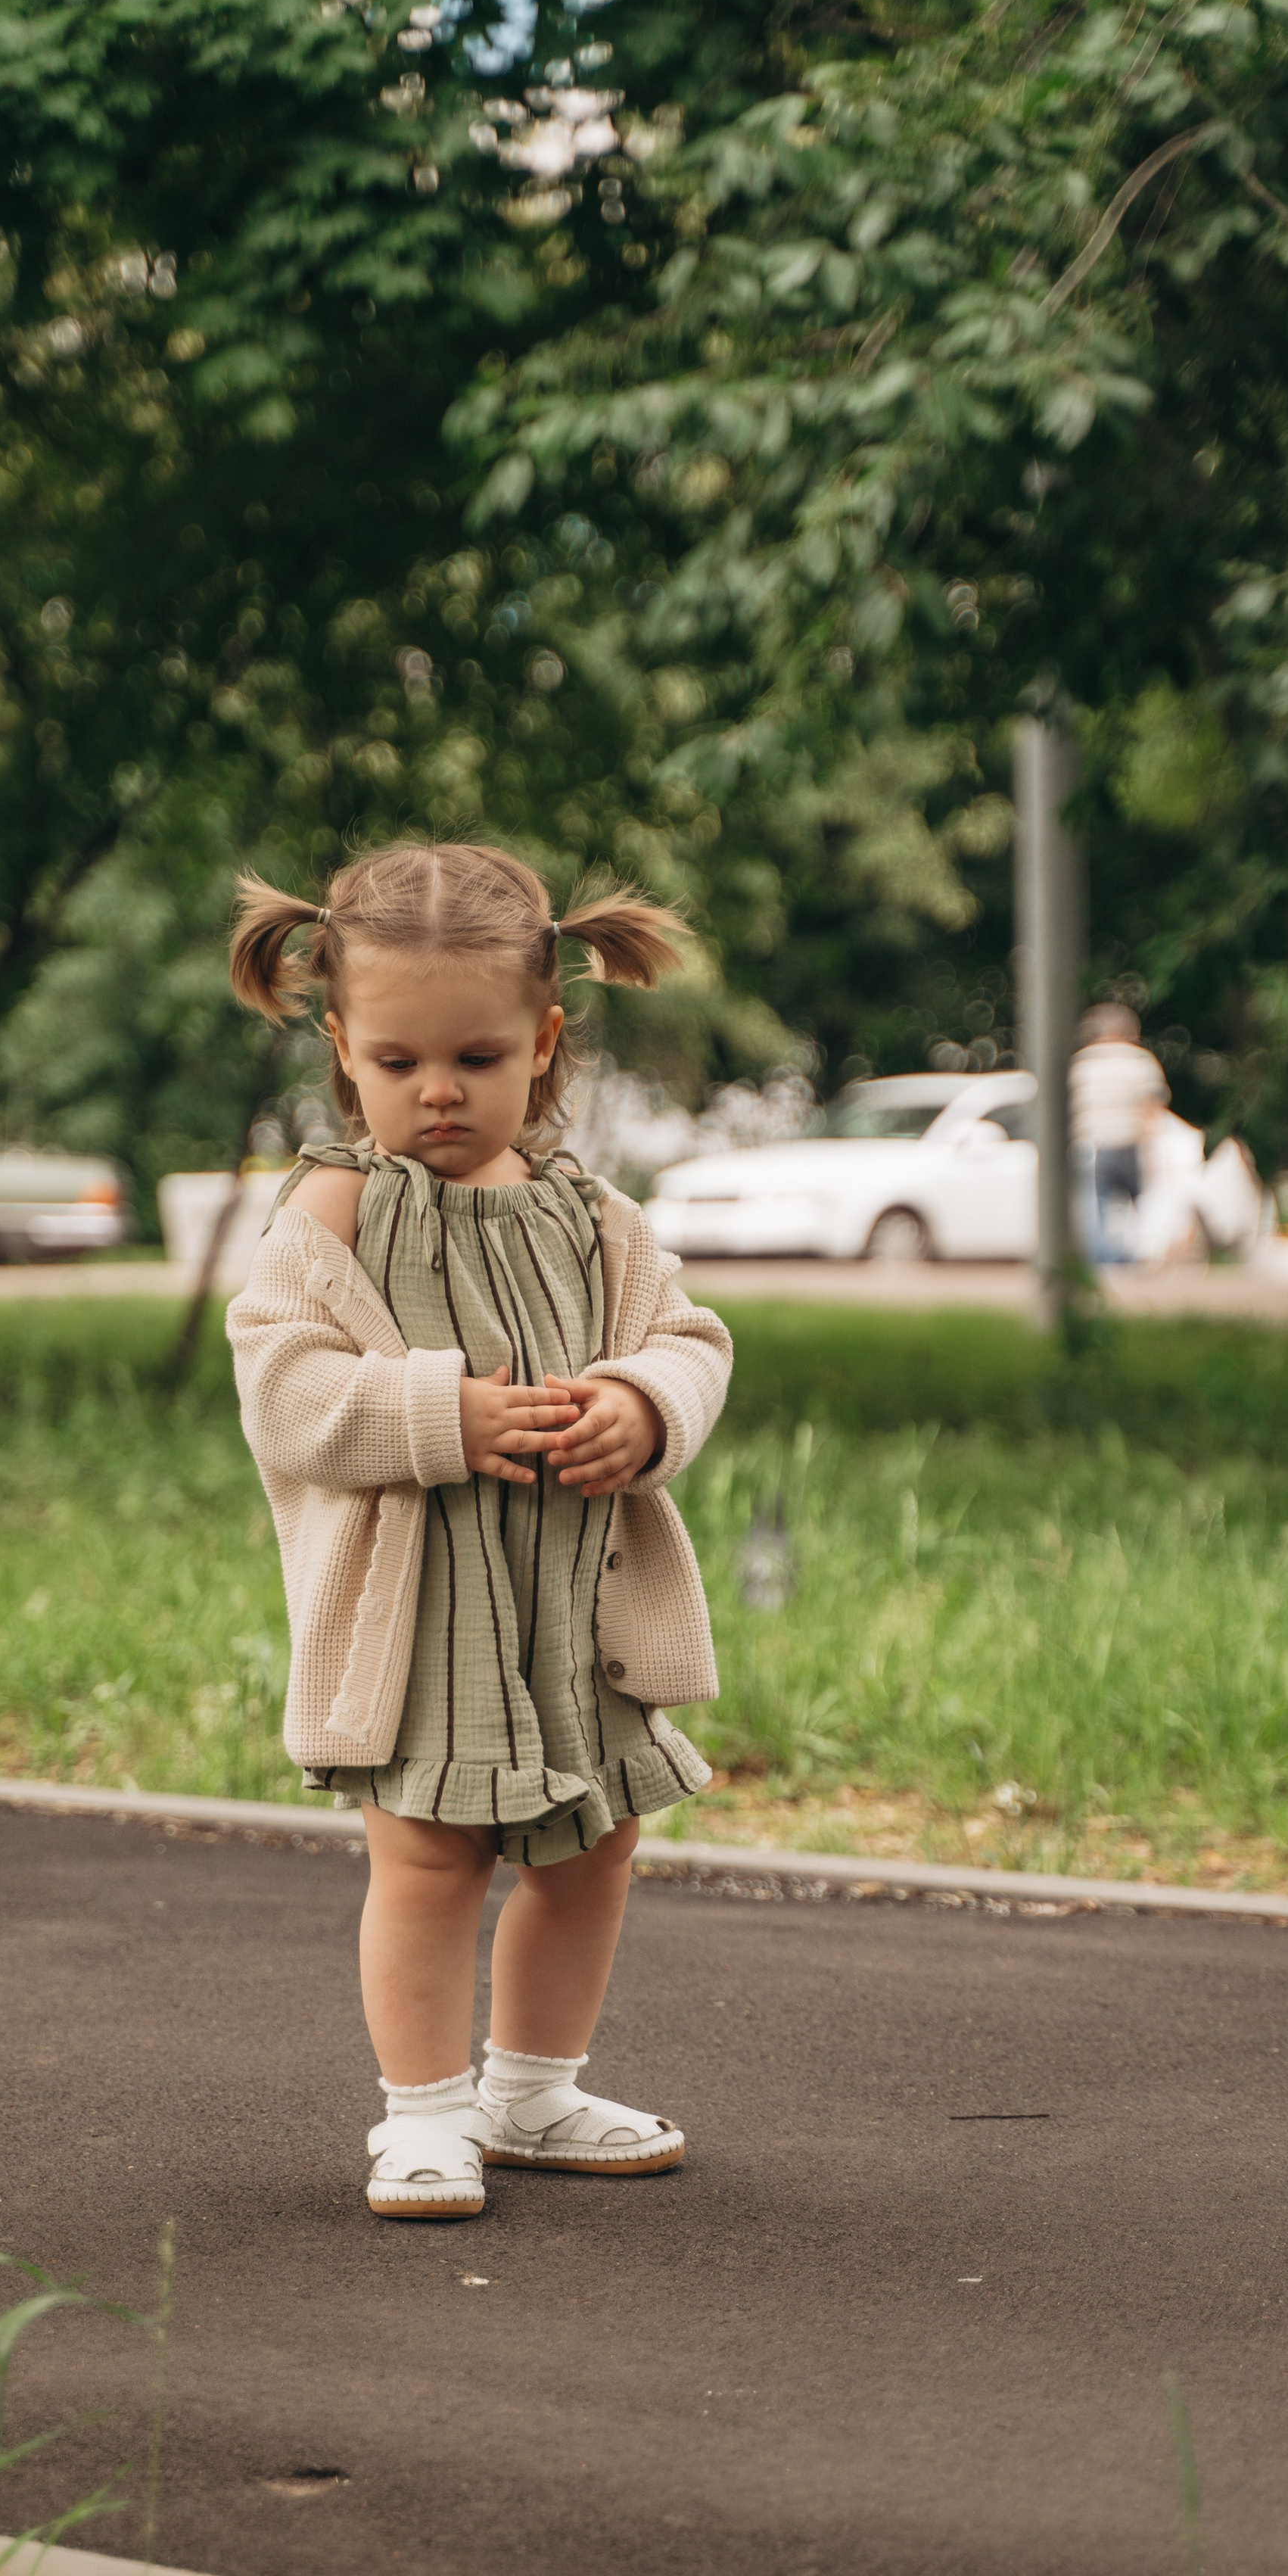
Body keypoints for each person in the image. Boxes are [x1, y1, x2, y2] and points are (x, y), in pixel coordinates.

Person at [226, 842, 731, 2222]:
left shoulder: (594, 1218)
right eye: (396, 1062)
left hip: (571, 1611)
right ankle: (425, 2116)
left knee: (594, 1842)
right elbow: (284, 1391)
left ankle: (531, 2091)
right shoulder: (332, 1213)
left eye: (475, 1055)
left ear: (545, 1040)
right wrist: (440, 1416)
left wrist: (641, 1403)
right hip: (427, 1615)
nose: (436, 1090)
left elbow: (690, 1338)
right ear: (341, 1047)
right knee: (433, 1855)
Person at [1068, 1003, 1170, 1263]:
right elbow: (1153, 1107)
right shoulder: (1140, 1061)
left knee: (1096, 1209)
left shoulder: (1081, 1063)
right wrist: (1154, 1145)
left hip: (1092, 1144)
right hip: (1132, 1142)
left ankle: (1101, 1263)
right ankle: (1143, 1258)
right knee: (1144, 1204)